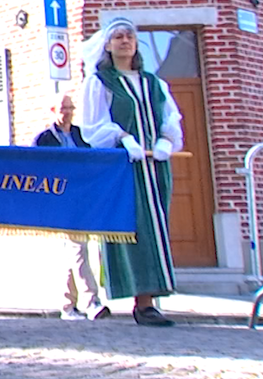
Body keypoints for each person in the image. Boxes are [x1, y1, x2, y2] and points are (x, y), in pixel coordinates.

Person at [80, 18, 184, 327]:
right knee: (134, 228)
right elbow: (93, 127)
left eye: (130, 36)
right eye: (118, 37)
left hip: (155, 167)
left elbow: (170, 117)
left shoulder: (154, 82)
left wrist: (166, 141)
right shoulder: (100, 82)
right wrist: (123, 139)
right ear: (107, 46)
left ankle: (152, 298)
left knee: (156, 228)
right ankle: (142, 300)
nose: (125, 41)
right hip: (124, 169)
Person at [34, 91, 111, 322]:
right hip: (60, 202)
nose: (67, 113)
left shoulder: (80, 135)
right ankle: (92, 301)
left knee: (74, 250)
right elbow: (37, 171)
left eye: (70, 108)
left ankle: (68, 306)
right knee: (78, 248)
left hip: (82, 200)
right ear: (52, 111)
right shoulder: (44, 139)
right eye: (62, 109)